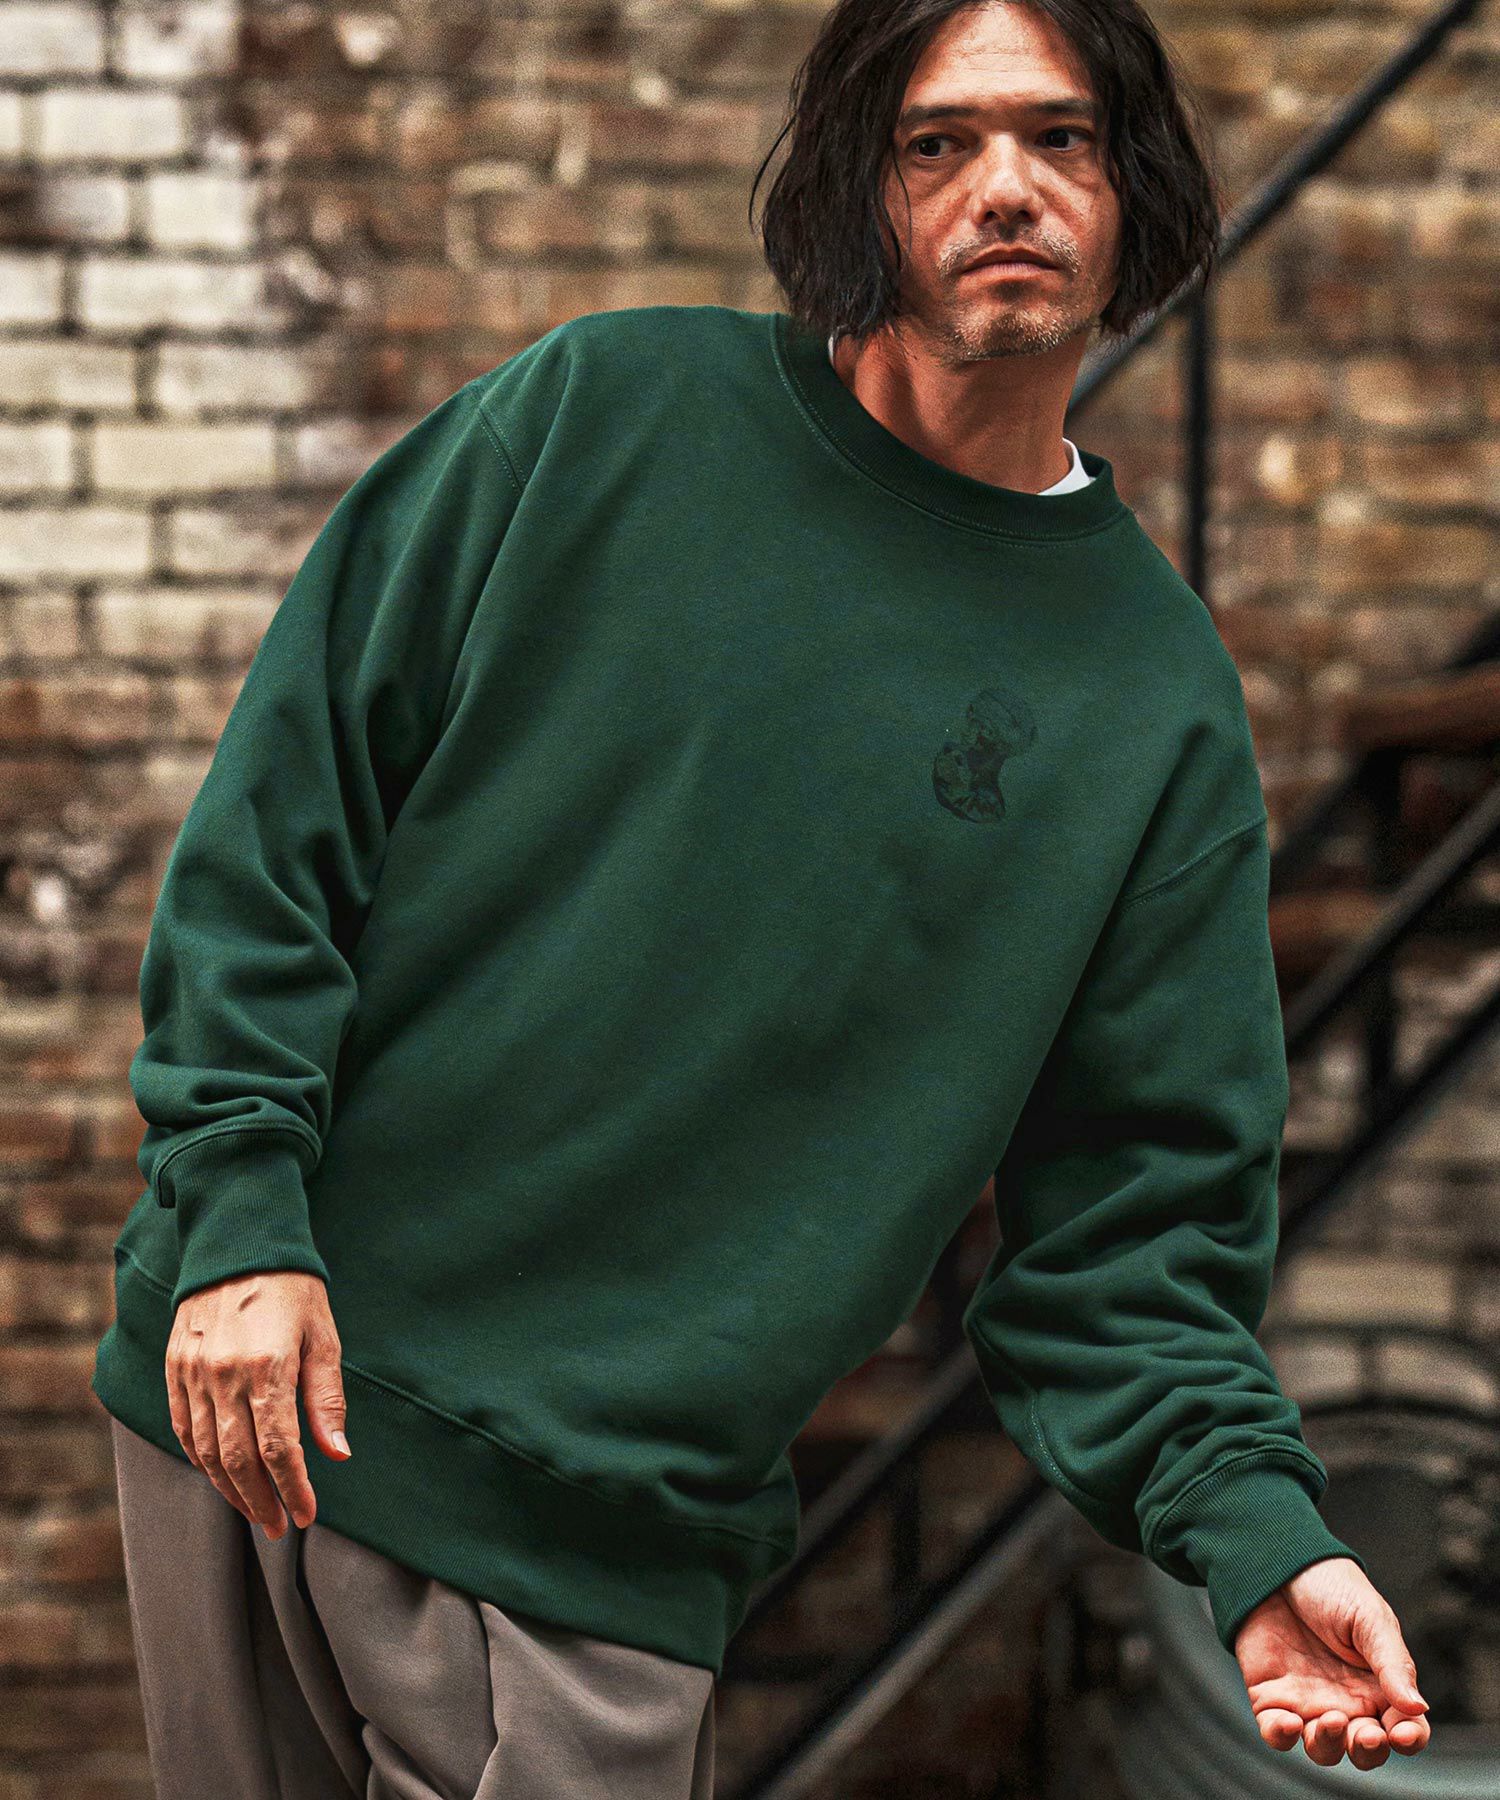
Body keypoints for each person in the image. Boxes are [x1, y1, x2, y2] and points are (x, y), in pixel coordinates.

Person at [90, 0, 1433, 1789]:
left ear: (1137, 189)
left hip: (592, 1541)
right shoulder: (600, 411)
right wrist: (239, 1215)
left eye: (1062, 137)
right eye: (938, 143)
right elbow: (286, 816)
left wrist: (1260, 1539)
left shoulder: (1153, 705)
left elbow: (1136, 1236)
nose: (1006, 188)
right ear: (859, 189)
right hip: (247, 1375)